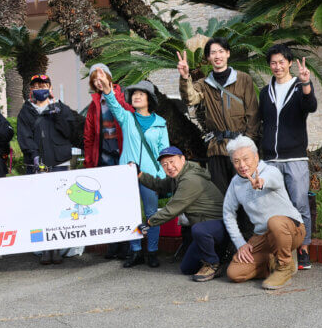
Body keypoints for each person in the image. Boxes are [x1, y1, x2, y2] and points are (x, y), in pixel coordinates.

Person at [98, 78, 169, 268]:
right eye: (134, 94)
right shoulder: (127, 118)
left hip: (150, 176)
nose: (137, 96)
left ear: (149, 99)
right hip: (127, 175)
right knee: (131, 214)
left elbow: (165, 152)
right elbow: (113, 104)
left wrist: (161, 177)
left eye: (141, 93)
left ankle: (152, 252)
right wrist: (107, 90)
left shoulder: (161, 123)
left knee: (152, 214)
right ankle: (135, 251)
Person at [258, 44, 317, 270]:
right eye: (273, 63)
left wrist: (306, 84)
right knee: (272, 206)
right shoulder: (265, 92)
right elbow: (261, 121)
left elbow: (311, 106)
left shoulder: (299, 87)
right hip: (270, 159)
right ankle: (278, 251)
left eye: (282, 62)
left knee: (299, 204)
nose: (277, 66)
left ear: (290, 62)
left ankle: (303, 249)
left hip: (295, 159)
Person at [222, 136, 305, 290]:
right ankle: (272, 261)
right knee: (235, 273)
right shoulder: (235, 184)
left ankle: (284, 266)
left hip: (291, 229)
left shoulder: (270, 171)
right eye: (236, 161)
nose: (242, 165)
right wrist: (240, 243)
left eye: (246, 159)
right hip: (263, 236)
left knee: (274, 222)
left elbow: (270, 179)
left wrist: (260, 182)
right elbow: (228, 213)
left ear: (256, 156)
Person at [177, 38, 259, 192]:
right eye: (213, 52)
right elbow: (190, 98)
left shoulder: (243, 79)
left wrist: (248, 143)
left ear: (228, 54)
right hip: (216, 148)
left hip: (241, 148)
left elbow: (253, 114)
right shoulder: (204, 84)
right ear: (208, 58)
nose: (217, 56)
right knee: (220, 195)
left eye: (221, 51)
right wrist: (184, 77)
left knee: (245, 193)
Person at [136, 147, 229, 282]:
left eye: (172, 161)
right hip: (204, 229)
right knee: (187, 268)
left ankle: (213, 263)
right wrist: (139, 174)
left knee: (198, 229)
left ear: (183, 159)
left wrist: (148, 223)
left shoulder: (190, 180)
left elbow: (172, 209)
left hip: (217, 227)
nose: (169, 167)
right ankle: (217, 258)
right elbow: (160, 185)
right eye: (164, 164)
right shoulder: (179, 176)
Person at [16, 73, 76, 264]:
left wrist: (57, 112)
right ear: (30, 89)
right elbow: (24, 137)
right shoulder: (25, 112)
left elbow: (70, 132)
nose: (39, 87)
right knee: (40, 207)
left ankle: (57, 247)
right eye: (36, 85)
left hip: (59, 164)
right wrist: (34, 157)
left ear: (50, 87)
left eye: (43, 84)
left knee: (59, 207)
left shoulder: (61, 107)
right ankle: (44, 249)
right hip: (37, 166)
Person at [84, 64, 135, 260]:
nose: (99, 82)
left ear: (109, 77)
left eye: (101, 77)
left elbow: (129, 115)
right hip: (104, 158)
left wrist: (110, 92)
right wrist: (90, 164)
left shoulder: (123, 96)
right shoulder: (94, 104)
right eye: (95, 80)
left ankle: (131, 246)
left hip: (123, 156)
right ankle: (114, 245)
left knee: (127, 202)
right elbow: (88, 137)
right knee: (109, 203)